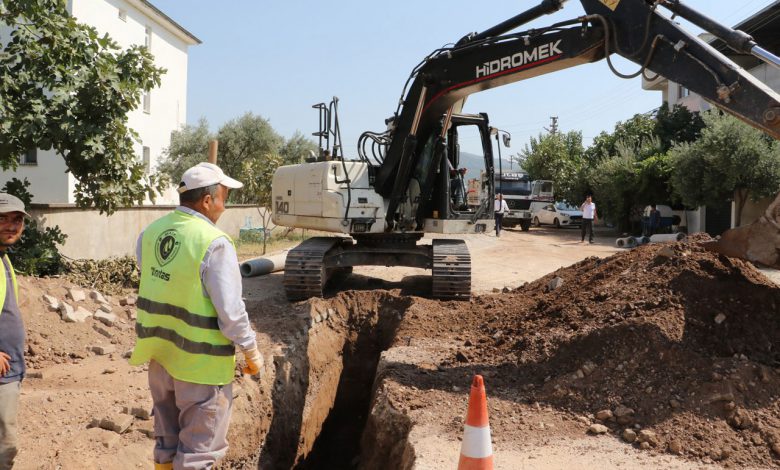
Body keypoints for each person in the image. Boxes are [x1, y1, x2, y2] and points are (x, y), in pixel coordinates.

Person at [129, 162, 263, 470]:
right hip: (200, 366)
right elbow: (230, 312)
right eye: (223, 197)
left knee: (167, 441)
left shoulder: (151, 232)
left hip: (160, 358)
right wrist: (251, 351)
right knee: (199, 454)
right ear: (206, 201)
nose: (224, 205)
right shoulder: (214, 242)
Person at [0, 194, 28, 470]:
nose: (11, 226)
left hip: (10, 367)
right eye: (2, 219)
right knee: (5, 446)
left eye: (16, 220)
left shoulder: (3, 259)